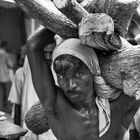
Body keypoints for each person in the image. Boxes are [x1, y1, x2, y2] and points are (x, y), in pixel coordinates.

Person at [26, 27, 140, 140]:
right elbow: (33, 45)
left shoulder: (122, 104)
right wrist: (70, 18)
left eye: (77, 75)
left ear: (93, 70)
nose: (70, 85)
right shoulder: (56, 106)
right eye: (61, 76)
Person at [0, 40, 14, 113]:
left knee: (1, 93)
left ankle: (1, 108)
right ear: (5, 46)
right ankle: (8, 108)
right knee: (8, 93)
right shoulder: (6, 55)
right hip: (5, 77)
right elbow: (11, 64)